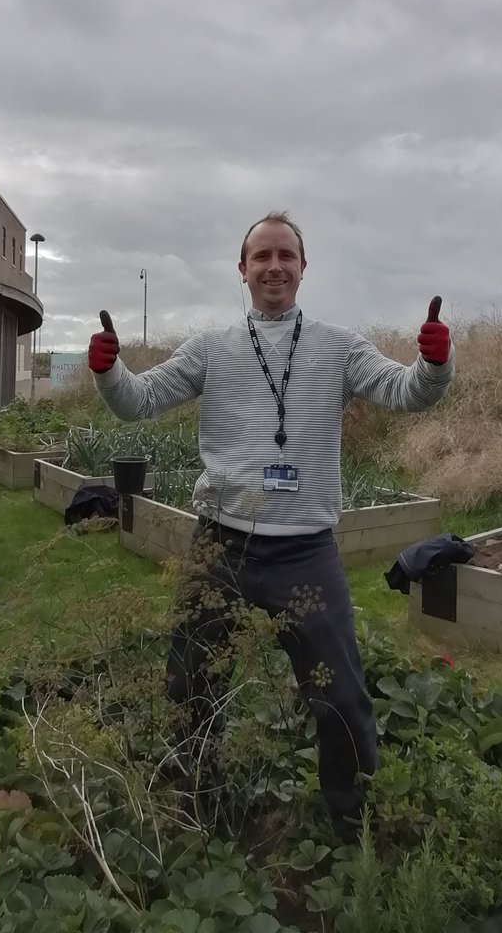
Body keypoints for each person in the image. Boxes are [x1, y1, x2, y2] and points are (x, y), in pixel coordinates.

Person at [88, 211, 454, 839]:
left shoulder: (339, 347)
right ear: (243, 270)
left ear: (303, 269)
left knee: (341, 697)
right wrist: (108, 371)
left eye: (287, 255)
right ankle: (203, 802)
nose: (275, 266)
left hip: (304, 553)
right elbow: (137, 401)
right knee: (190, 681)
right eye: (262, 257)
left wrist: (433, 365)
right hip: (220, 546)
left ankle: (349, 821)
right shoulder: (211, 349)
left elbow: (406, 393)